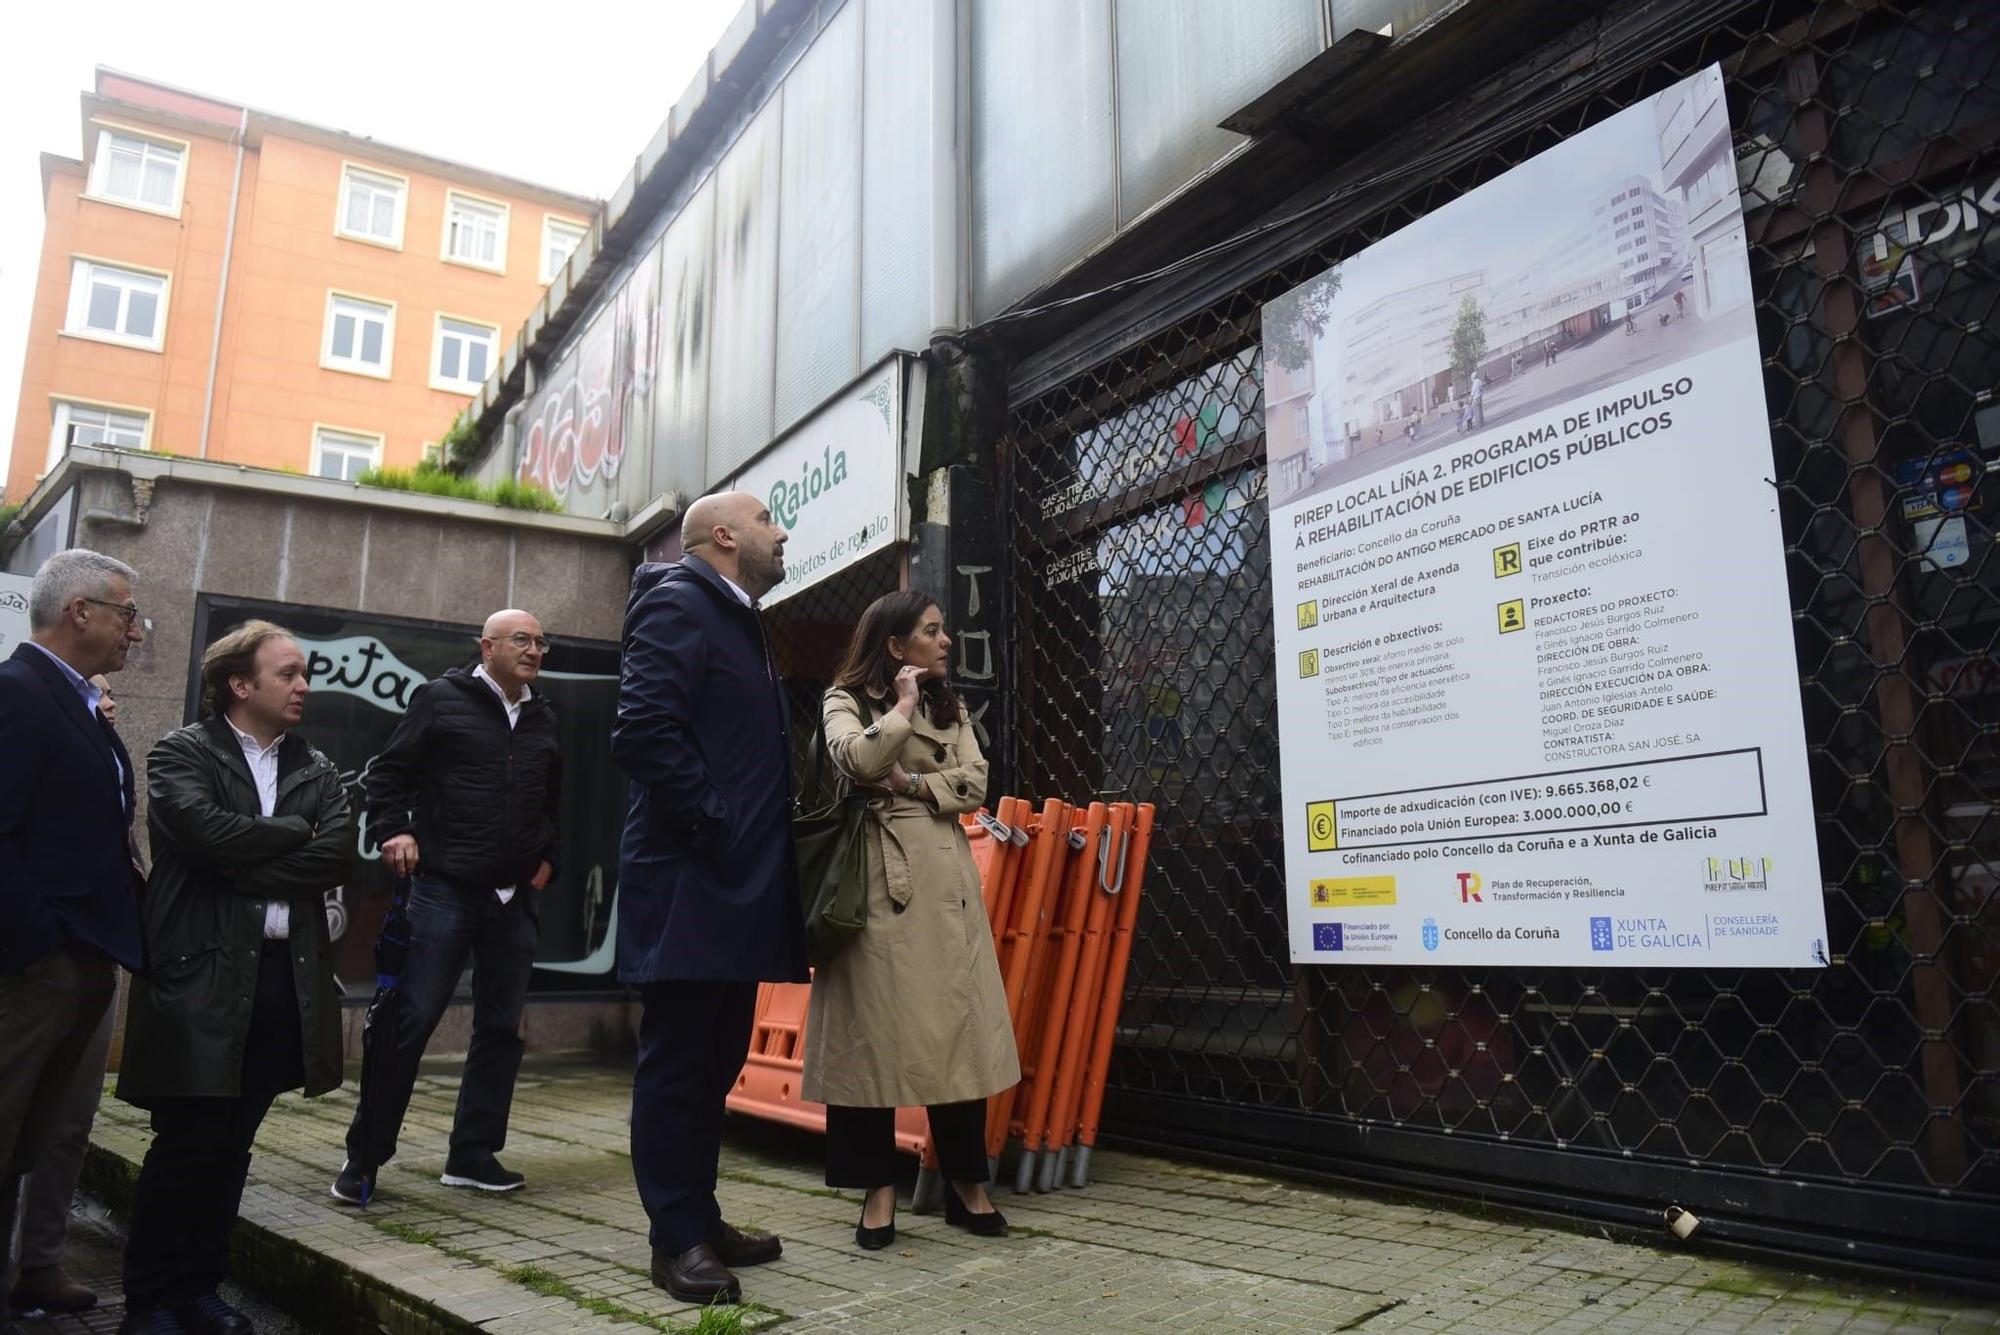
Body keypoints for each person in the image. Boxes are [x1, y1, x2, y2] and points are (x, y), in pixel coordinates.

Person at [117, 622, 351, 1335]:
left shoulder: (317, 765)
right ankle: (149, 1301)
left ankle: (200, 1292)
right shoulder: (182, 750)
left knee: (234, 1145)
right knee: (188, 1143)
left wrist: (244, 856)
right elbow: (199, 831)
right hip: (201, 979)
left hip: (284, 979)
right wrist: (290, 834)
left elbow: (336, 853)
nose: (303, 684)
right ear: (240, 683)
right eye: (288, 673)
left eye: (304, 672)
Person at [612, 491, 807, 1305]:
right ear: (724, 535)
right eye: (768, 519)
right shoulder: (677, 600)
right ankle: (676, 1241)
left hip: (737, 887)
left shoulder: (739, 616)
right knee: (680, 1062)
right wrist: (717, 823)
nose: (782, 530)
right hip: (695, 879)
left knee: (718, 1058)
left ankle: (700, 1214)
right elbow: (645, 730)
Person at [803, 591, 1018, 1251]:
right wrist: (898, 710)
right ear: (896, 645)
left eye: (944, 627)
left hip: (944, 886)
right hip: (874, 883)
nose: (947, 638)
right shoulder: (845, 699)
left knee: (954, 1032)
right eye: (932, 629)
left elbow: (977, 781)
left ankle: (965, 1182)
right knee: (871, 1040)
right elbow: (860, 761)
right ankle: (878, 1188)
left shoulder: (950, 705)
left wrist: (916, 785)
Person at [330, 610, 561, 1205]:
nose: (534, 650)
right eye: (521, 640)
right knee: (409, 1022)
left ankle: (473, 1155)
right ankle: (365, 1159)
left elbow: (553, 799)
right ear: (486, 647)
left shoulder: (543, 715)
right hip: (445, 890)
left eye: (540, 641)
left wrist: (548, 857)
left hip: (513, 900)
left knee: (500, 1031)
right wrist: (393, 831)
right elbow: (387, 776)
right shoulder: (441, 699)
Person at [0, 551, 144, 1329]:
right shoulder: (18, 693)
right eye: (126, 613)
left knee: (37, 1136)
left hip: (82, 956)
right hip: (35, 965)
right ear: (78, 611)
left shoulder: (81, 703)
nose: (136, 629)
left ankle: (31, 1272)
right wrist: (41, 947)